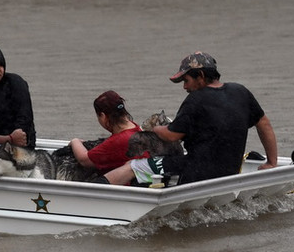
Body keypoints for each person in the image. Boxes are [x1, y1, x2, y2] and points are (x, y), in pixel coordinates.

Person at [104, 51, 278, 185]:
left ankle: (91, 191)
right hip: (230, 170)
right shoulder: (240, 92)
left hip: (197, 171)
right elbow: (264, 124)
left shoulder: (196, 100)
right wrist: (271, 162)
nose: (185, 87)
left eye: (186, 80)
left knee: (133, 167)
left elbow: (171, 136)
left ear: (200, 76)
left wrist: (154, 128)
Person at [67, 90, 142, 174]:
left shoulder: (119, 140)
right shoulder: (136, 128)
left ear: (103, 116)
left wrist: (75, 141)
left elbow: (84, 160)